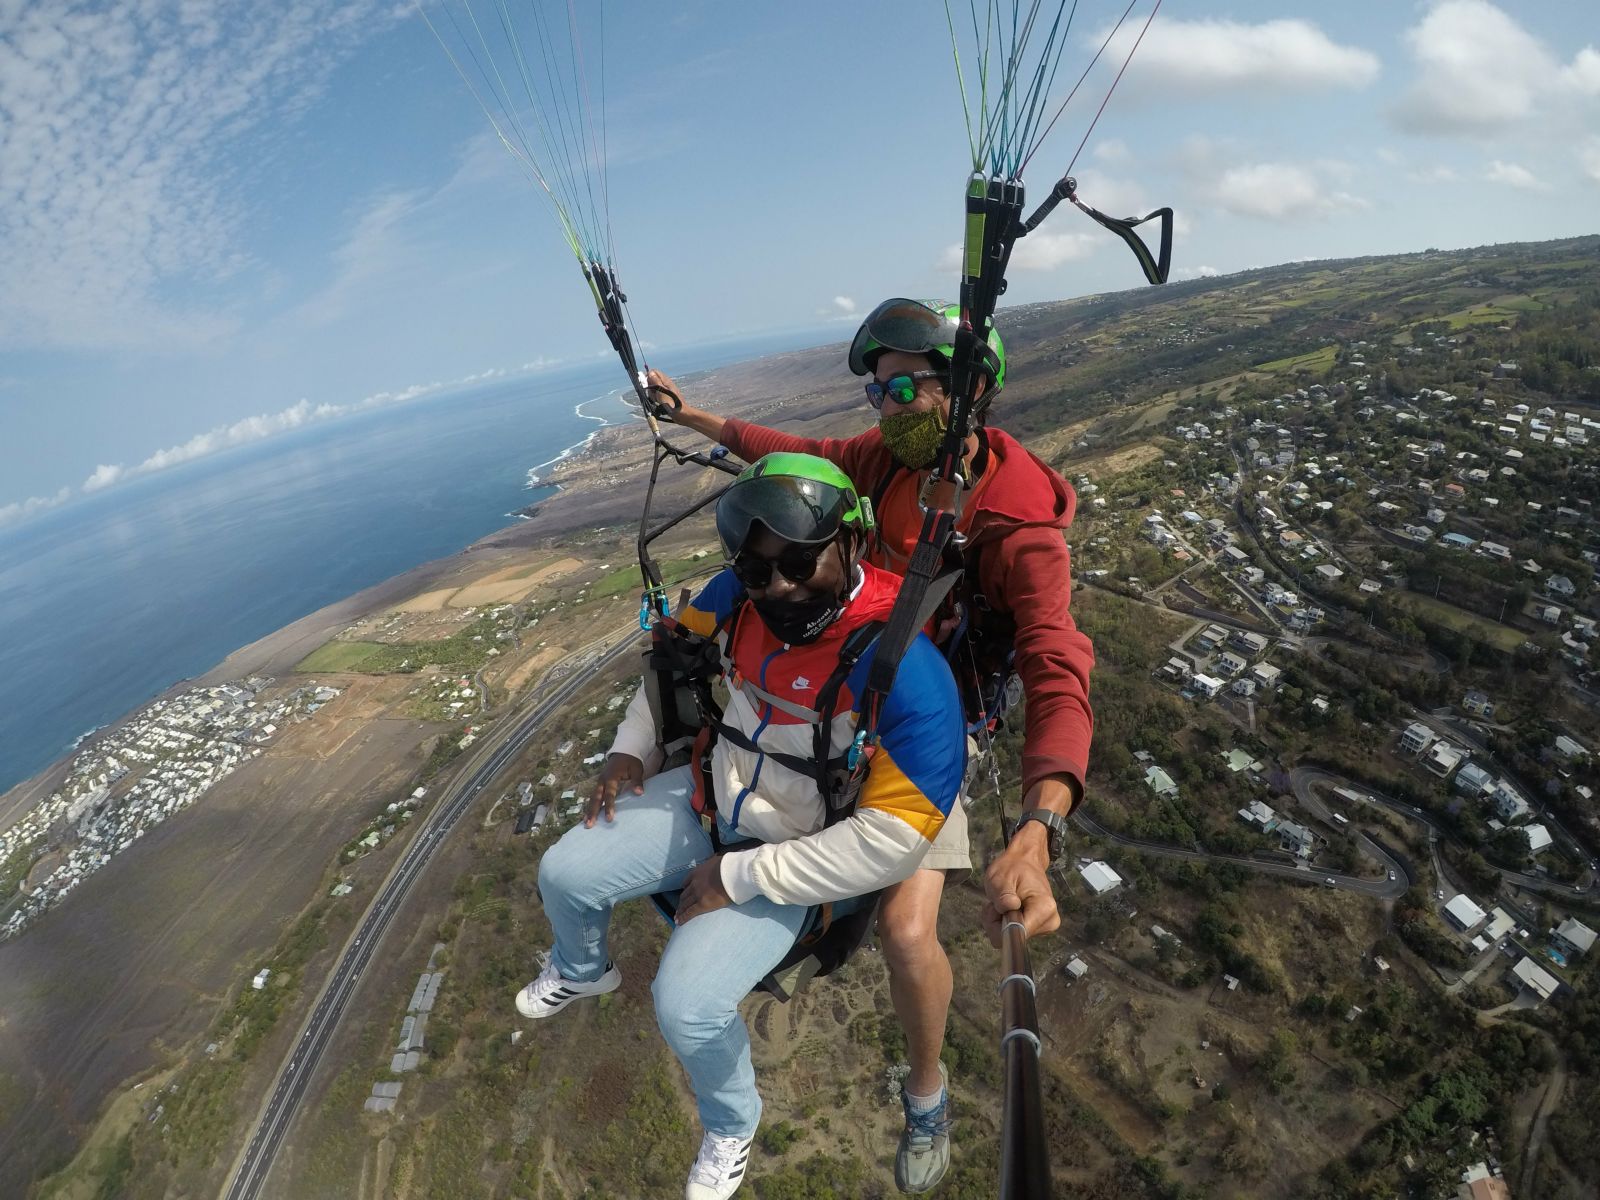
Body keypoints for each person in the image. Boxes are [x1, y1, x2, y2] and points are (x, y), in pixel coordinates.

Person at [644, 297, 1094, 1192]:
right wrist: (693, 416)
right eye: (876, 391)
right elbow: (798, 457)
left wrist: (1042, 823)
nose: (884, 409)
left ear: (968, 393)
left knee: (904, 923)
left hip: (930, 725)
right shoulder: (887, 459)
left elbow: (1057, 664)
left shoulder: (1014, 522)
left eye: (903, 389)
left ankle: (926, 1095)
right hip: (846, 692)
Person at [518, 452, 967, 1200]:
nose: (781, 586)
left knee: (686, 1008)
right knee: (563, 871)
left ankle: (731, 1124)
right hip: (712, 799)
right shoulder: (736, 600)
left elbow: (894, 839)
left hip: (797, 853)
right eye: (761, 571)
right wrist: (631, 749)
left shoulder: (905, 670)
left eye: (799, 561)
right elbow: (669, 665)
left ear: (850, 544)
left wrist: (740, 875)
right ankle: (582, 967)